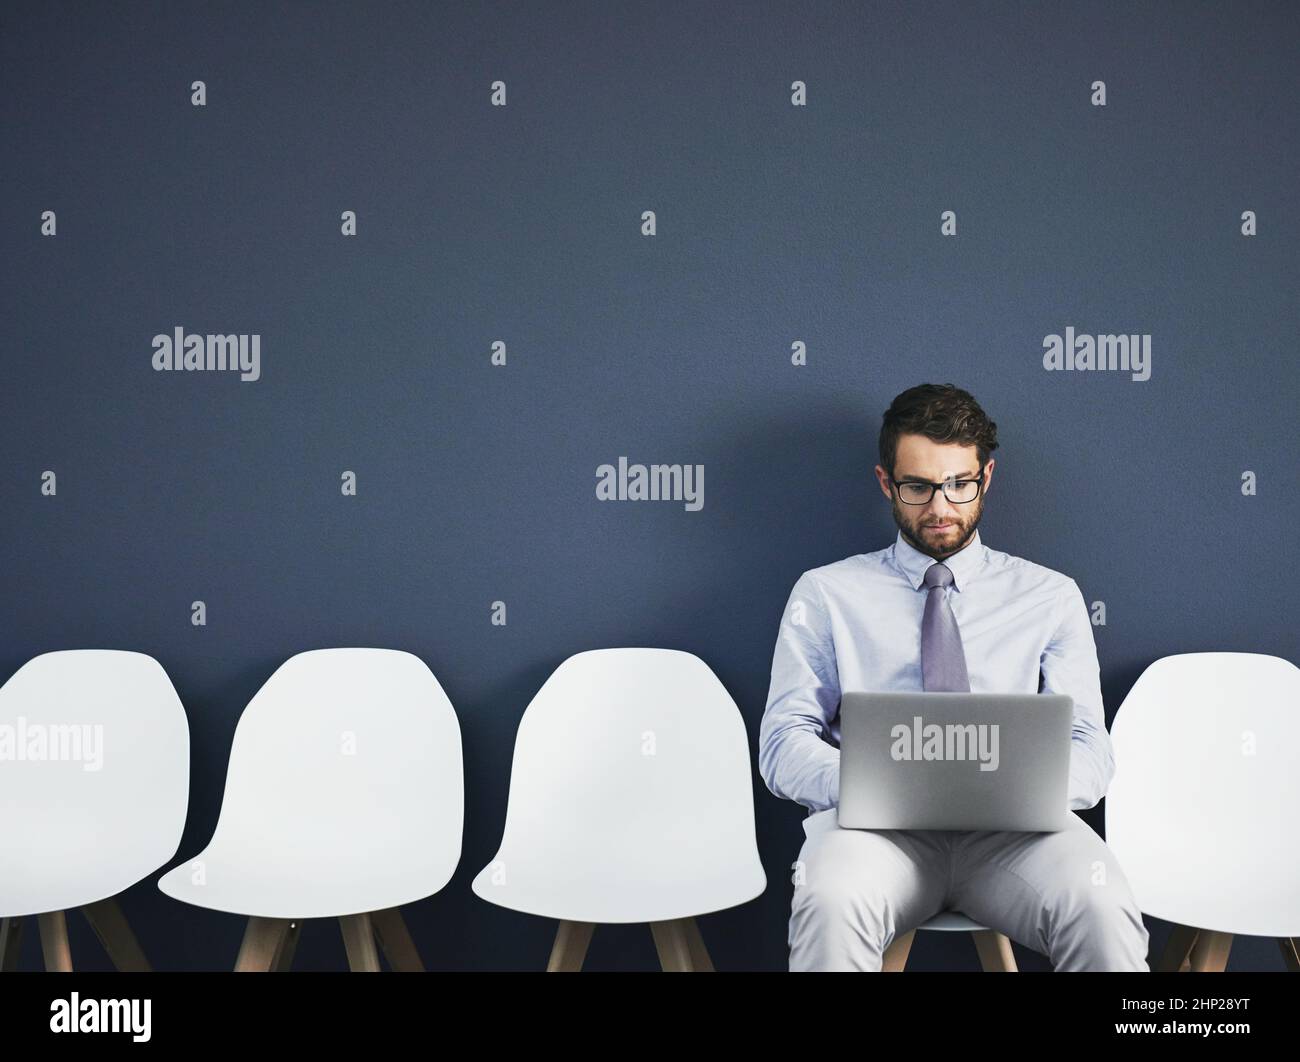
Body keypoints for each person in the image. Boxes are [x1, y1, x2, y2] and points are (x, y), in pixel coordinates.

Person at [759, 382, 1150, 971]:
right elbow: (783, 741)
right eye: (917, 486)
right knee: (829, 899)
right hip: (872, 835)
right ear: (886, 483)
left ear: (985, 478)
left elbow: (1091, 747)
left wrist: (1017, 791)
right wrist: (877, 786)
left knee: (1101, 903)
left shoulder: (1050, 596)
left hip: (1016, 840)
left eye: (959, 484)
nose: (940, 508)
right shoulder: (825, 593)